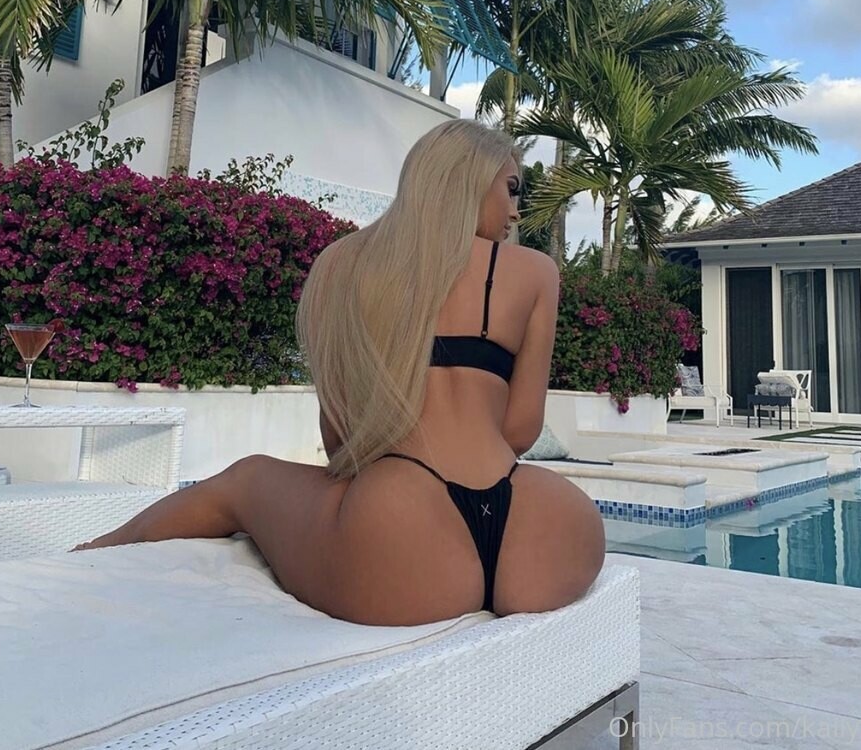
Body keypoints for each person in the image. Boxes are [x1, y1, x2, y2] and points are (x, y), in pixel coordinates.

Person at [74, 119, 605, 625]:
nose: (515, 212)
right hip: (542, 520)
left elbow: (340, 442)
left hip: (400, 523)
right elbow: (520, 432)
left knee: (245, 480)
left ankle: (98, 548)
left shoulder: (342, 263)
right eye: (511, 189)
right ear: (466, 177)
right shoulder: (536, 272)